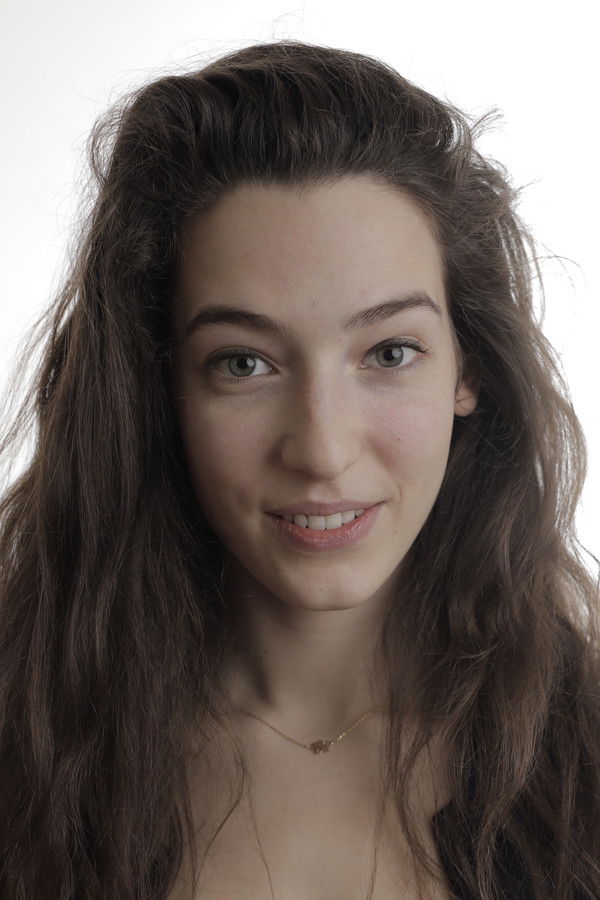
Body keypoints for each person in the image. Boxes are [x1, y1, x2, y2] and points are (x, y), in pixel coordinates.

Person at [0, 39, 598, 900]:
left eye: (389, 353)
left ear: (468, 369)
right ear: (158, 387)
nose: (321, 449)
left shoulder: (586, 753)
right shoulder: (25, 757)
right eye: (244, 363)